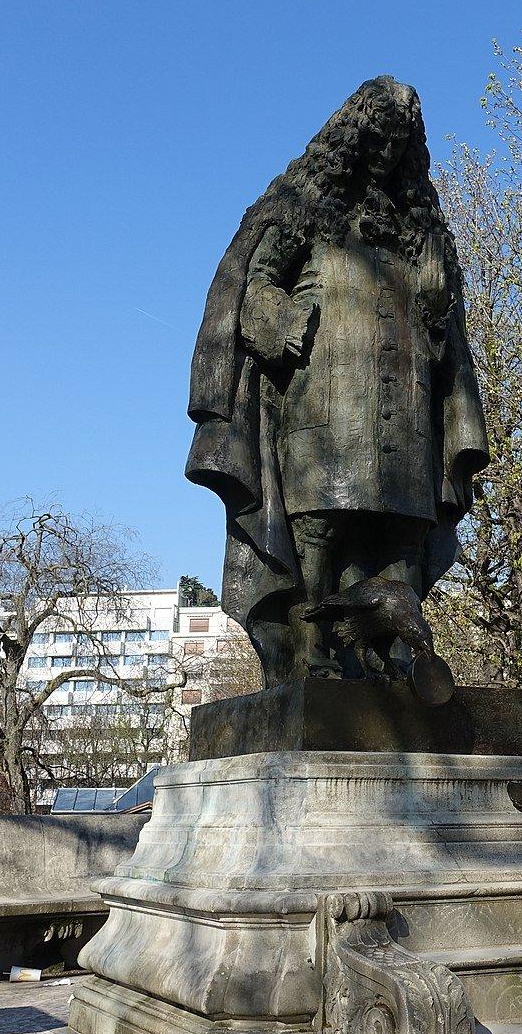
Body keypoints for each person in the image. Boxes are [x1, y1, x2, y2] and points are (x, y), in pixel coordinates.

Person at [186, 76, 489, 683]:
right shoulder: (304, 208)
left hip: (404, 405)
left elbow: (447, 326)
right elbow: (253, 284)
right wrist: (279, 318)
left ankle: (397, 652)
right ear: (353, 138)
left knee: (404, 527)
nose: (386, 154)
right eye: (377, 139)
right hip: (321, 403)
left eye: (399, 144)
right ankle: (312, 650)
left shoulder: (423, 230)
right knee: (321, 524)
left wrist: (437, 302)